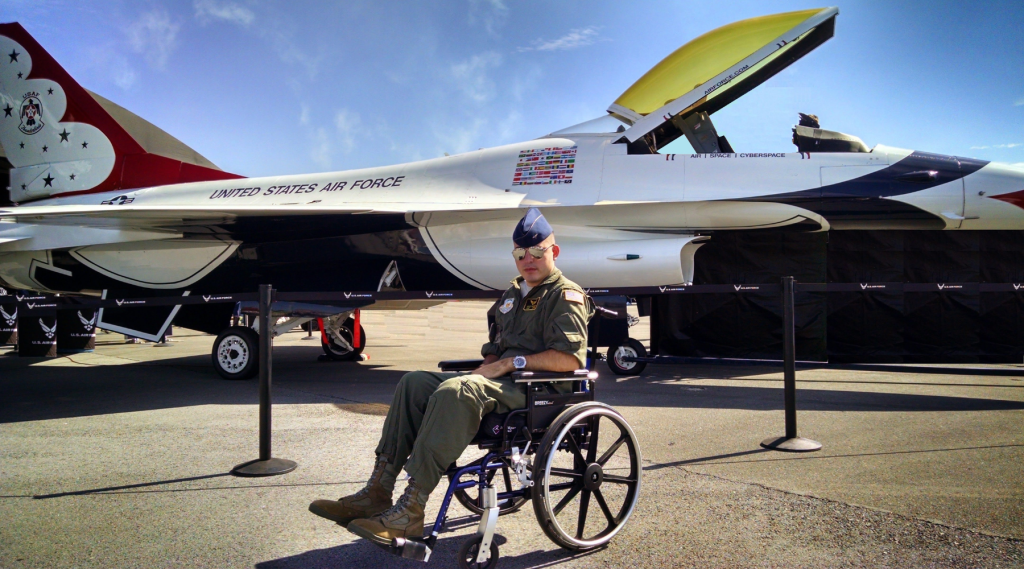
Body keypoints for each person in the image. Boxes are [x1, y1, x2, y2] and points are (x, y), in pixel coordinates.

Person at [309, 207, 594, 548]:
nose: (528, 260)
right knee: (414, 382)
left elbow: (568, 358)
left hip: (537, 389)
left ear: (554, 252)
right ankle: (378, 490)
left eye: (537, 252)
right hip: (500, 383)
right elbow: (494, 349)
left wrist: (504, 366)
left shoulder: (564, 294)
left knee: (458, 390)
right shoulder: (511, 295)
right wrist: (486, 367)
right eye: (520, 254)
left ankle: (411, 509)